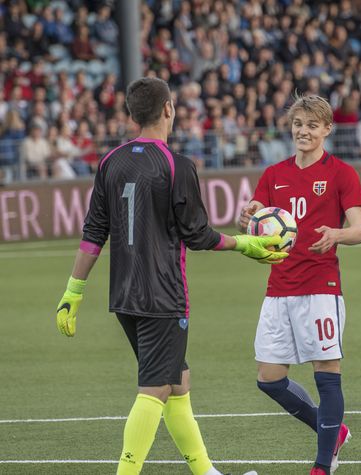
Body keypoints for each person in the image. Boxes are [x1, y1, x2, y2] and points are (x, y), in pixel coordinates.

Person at [54, 77, 285, 475]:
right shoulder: (177, 166)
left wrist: (72, 292)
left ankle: (207, 472)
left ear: (130, 114)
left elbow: (94, 231)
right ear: (167, 109)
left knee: (178, 383)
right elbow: (197, 235)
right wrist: (245, 245)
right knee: (156, 390)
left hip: (125, 296)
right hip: (163, 295)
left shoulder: (111, 162)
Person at [237, 95, 361, 475]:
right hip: (279, 288)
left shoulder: (341, 173)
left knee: (326, 372)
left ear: (327, 129)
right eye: (298, 124)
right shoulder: (273, 174)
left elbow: (360, 230)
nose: (303, 131)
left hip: (320, 287)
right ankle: (331, 430)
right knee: (269, 378)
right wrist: (245, 219)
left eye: (312, 125)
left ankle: (322, 465)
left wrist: (337, 233)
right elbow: (251, 228)